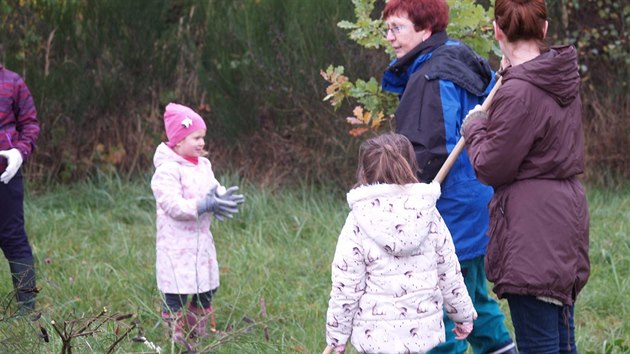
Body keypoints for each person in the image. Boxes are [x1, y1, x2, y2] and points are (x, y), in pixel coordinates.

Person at [380, 1, 516, 353]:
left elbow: (428, 152)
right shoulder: (459, 57)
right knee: (470, 295)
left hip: (450, 210)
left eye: (397, 28)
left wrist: (400, 202)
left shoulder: (432, 75)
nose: (389, 37)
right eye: (387, 29)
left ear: (425, 29)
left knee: (438, 312)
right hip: (476, 202)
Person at [460, 0, 590, 352]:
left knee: (541, 345)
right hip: (564, 215)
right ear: (544, 29)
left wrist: (475, 127)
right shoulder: (558, 77)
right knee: (562, 342)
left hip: (534, 228)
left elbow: (490, 165)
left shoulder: (519, 91)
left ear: (497, 30)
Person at [325, 133, 477, 354]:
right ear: (412, 166)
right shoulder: (428, 214)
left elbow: (346, 285)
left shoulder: (358, 221)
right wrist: (462, 315)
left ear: (364, 173)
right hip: (423, 336)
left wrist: (337, 336)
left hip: (375, 338)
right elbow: (449, 272)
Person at [150, 102, 244, 347]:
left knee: (206, 289)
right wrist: (203, 205)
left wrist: (221, 200)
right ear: (178, 141)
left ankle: (197, 333)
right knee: (176, 293)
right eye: (196, 137)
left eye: (203, 137)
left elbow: (213, 188)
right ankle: (175, 339)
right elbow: (172, 205)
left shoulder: (203, 165)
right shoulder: (167, 171)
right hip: (176, 245)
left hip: (202, 242)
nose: (202, 143)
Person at [0, 64, 40, 315]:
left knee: (14, 239)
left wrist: (20, 152)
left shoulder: (13, 82)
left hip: (6, 177)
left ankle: (27, 311)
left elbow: (30, 125)